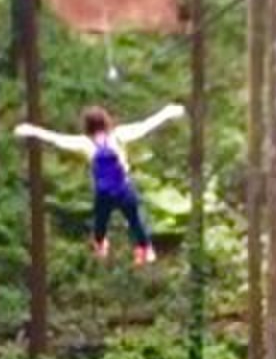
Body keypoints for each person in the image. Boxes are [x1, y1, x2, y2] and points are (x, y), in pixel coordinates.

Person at [16, 101, 186, 264]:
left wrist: (31, 130)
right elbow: (145, 126)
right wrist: (168, 112)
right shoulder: (119, 136)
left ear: (87, 126)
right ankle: (145, 249)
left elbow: (57, 139)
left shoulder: (85, 143)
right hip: (124, 188)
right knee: (135, 220)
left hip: (104, 192)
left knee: (100, 222)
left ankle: (101, 245)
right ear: (106, 121)